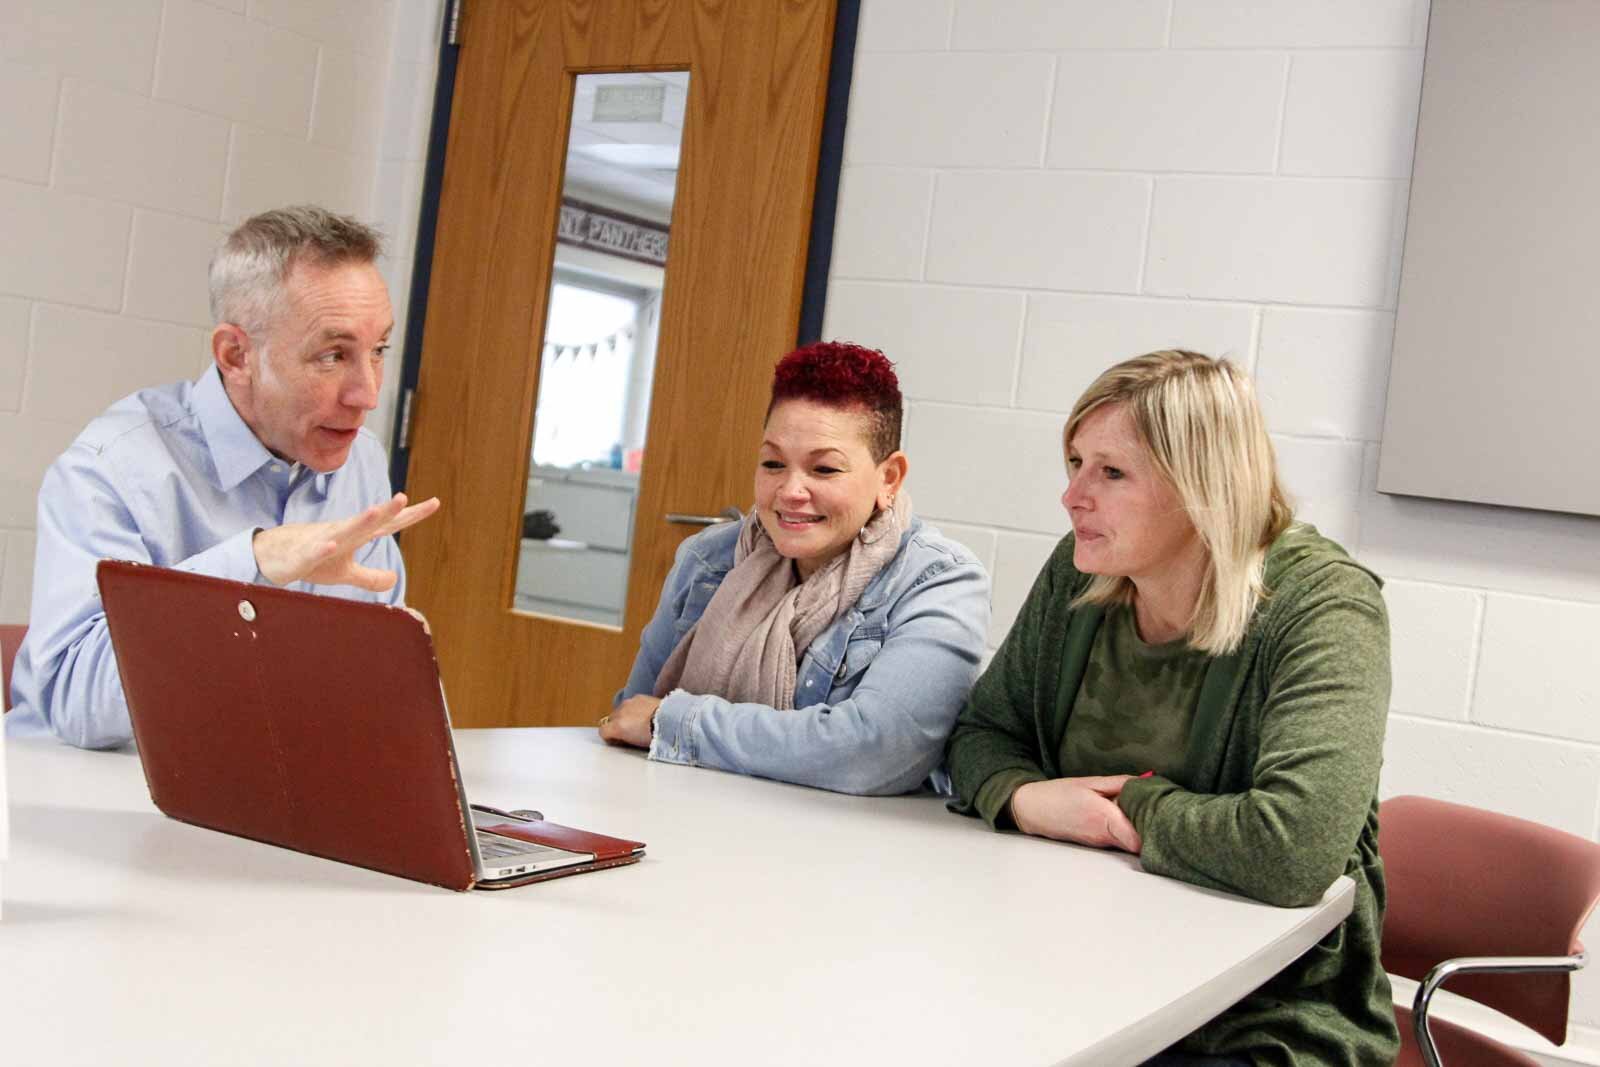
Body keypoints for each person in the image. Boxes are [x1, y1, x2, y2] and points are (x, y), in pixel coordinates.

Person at [945, 351, 1398, 1066]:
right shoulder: (1083, 566)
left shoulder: (1324, 606)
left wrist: (1130, 804)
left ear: (1202, 487)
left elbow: (1292, 850)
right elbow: (982, 731)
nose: (1072, 496)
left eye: (1111, 472)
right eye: (1074, 462)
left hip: (1260, 1016)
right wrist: (1027, 798)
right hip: (1065, 968)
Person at [7, 206, 439, 750]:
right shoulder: (110, 468)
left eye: (377, 351)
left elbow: (371, 675)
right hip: (78, 797)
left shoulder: (360, 459)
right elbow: (78, 707)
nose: (367, 394)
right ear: (236, 355)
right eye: (332, 355)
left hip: (255, 791)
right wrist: (253, 563)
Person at [603, 341, 990, 795]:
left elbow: (879, 751)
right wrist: (655, 723)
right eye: (773, 463)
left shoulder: (939, 582)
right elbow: (630, 718)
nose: (790, 491)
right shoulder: (707, 560)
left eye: (824, 470)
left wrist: (678, 724)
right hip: (691, 828)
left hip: (849, 853)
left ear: (889, 478)